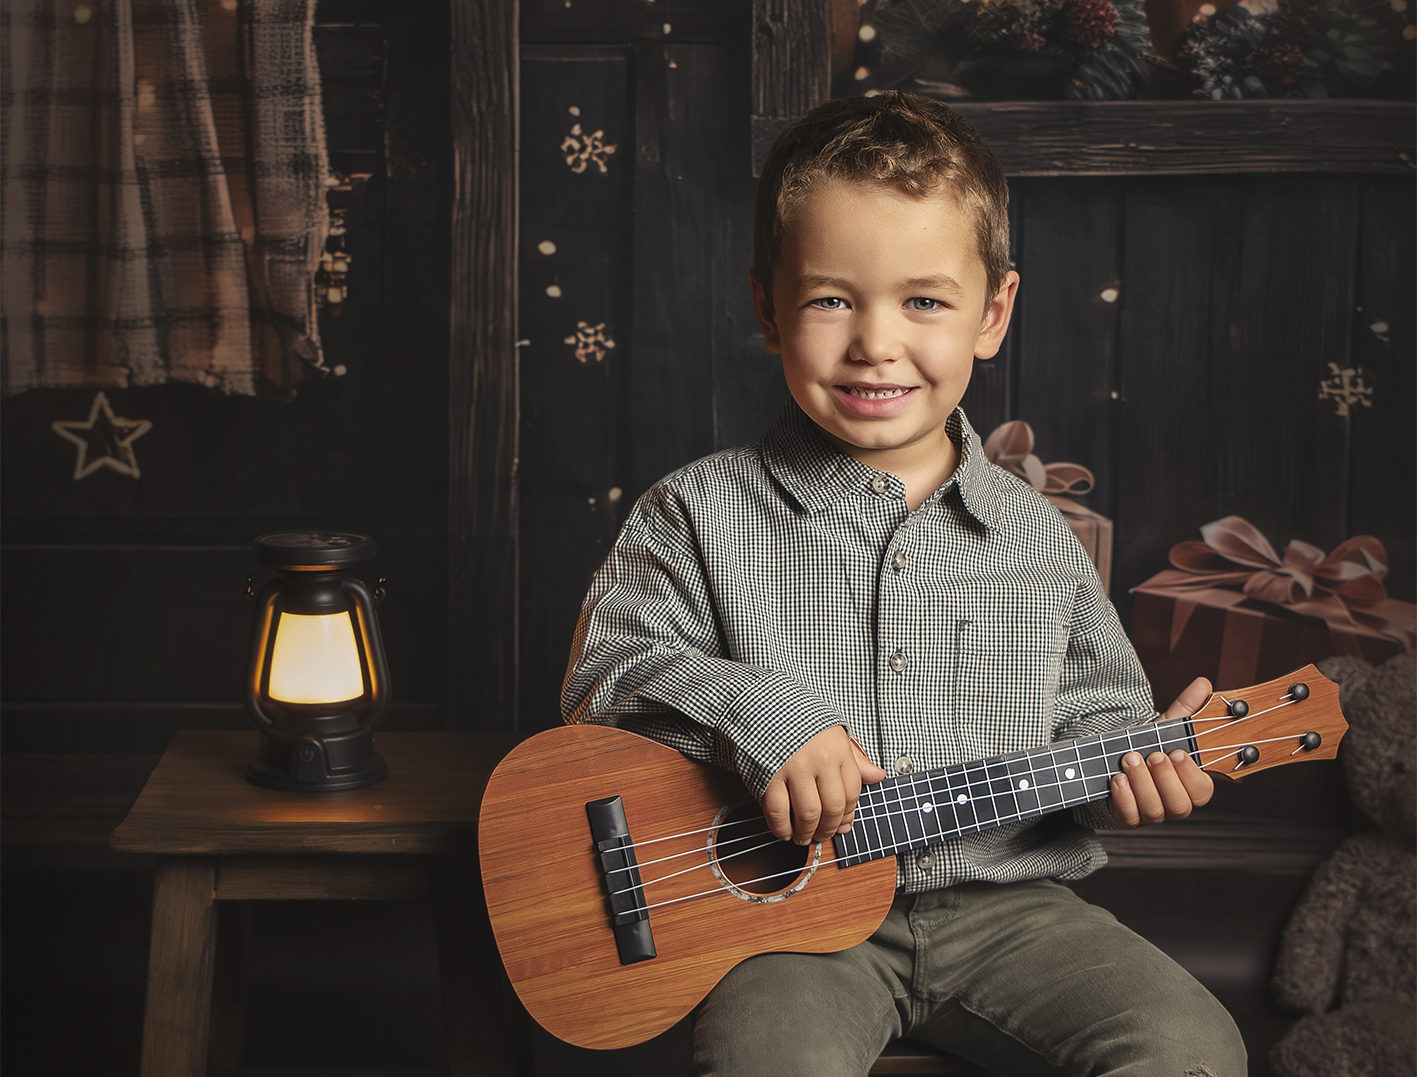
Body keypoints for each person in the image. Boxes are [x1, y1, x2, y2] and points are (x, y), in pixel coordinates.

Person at [561, 91, 1246, 1077]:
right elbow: (601, 673)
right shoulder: (695, 512)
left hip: (1010, 913)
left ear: (991, 313)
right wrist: (755, 711)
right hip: (787, 929)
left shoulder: (1035, 538)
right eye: (831, 298)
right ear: (766, 306)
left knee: (1192, 1048)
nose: (875, 342)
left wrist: (1136, 771)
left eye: (923, 300)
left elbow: (1094, 725)